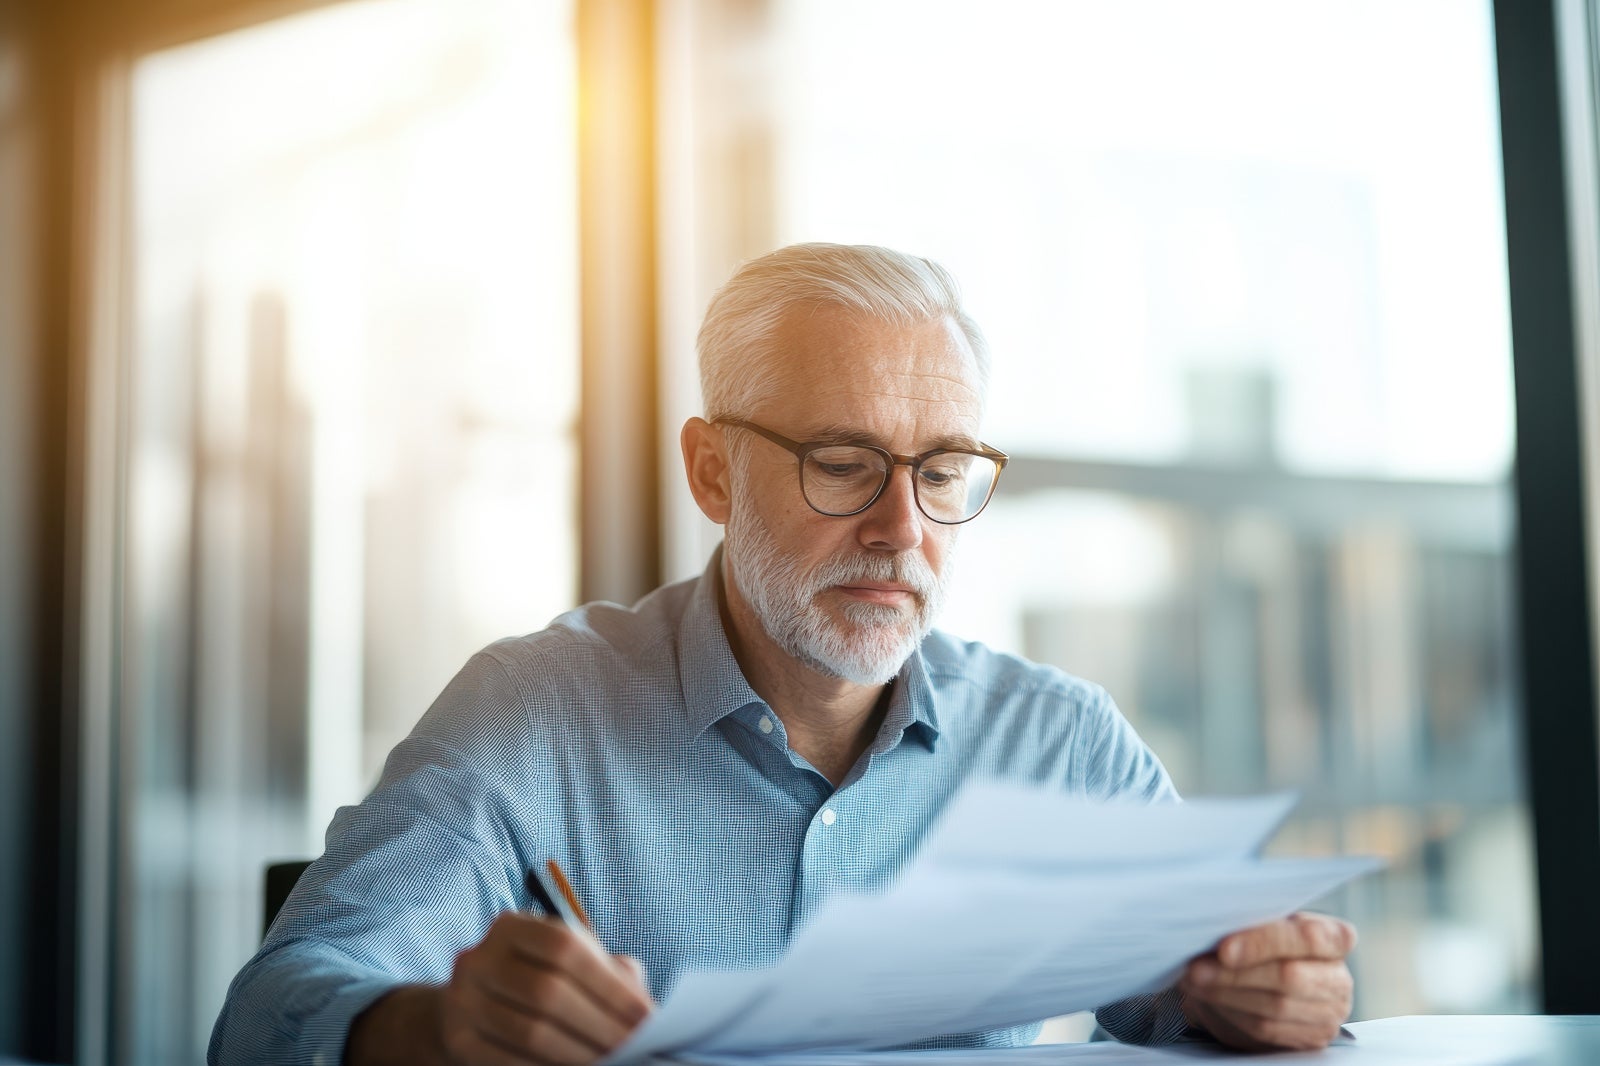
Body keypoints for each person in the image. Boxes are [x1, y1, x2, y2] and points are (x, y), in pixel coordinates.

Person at [209, 243, 1356, 1066]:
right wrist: (431, 1029)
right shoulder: (538, 713)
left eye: (942, 470)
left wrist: (1275, 991)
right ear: (711, 471)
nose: (902, 530)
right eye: (844, 464)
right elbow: (273, 1014)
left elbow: (1211, 989)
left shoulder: (1055, 742)